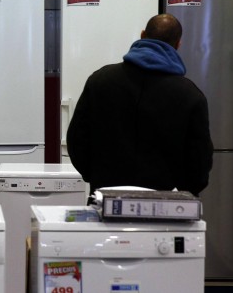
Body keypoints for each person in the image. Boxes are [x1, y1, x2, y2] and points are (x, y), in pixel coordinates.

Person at [66, 13, 213, 196]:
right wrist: (182, 191)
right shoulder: (191, 95)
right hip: (164, 205)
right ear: (178, 45)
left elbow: (76, 140)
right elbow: (199, 160)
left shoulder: (100, 80)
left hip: (105, 199)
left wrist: (96, 177)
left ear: (143, 35)